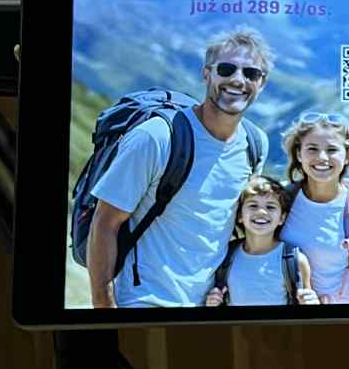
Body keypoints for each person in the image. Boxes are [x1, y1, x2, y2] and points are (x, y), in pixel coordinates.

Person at [87, 29, 274, 307]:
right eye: (226, 69)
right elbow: (105, 223)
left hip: (208, 306)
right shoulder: (157, 137)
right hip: (143, 301)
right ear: (207, 74)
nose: (238, 80)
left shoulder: (255, 143)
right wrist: (104, 306)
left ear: (262, 83)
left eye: (251, 73)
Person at [280, 111, 349, 305]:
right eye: (312, 149)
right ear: (299, 154)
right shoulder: (282, 200)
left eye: (332, 150)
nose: (322, 157)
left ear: (347, 156)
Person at [203, 176, 320, 306]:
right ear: (240, 215)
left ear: (282, 218)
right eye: (253, 205)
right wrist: (213, 302)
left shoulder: (295, 259)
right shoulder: (226, 255)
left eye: (270, 207)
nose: (261, 212)